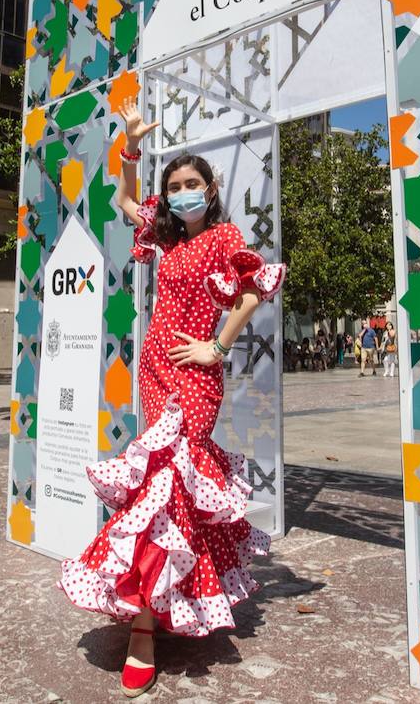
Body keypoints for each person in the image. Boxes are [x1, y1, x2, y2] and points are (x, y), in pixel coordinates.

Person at [58, 101, 286, 698]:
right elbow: (126, 200)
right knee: (161, 489)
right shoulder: (163, 238)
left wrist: (217, 346)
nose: (183, 193)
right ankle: (166, 601)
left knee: (170, 482)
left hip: (195, 374)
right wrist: (131, 146)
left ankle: (143, 630)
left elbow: (253, 290)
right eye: (175, 186)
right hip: (154, 369)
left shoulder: (223, 239)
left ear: (210, 191)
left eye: (192, 185)